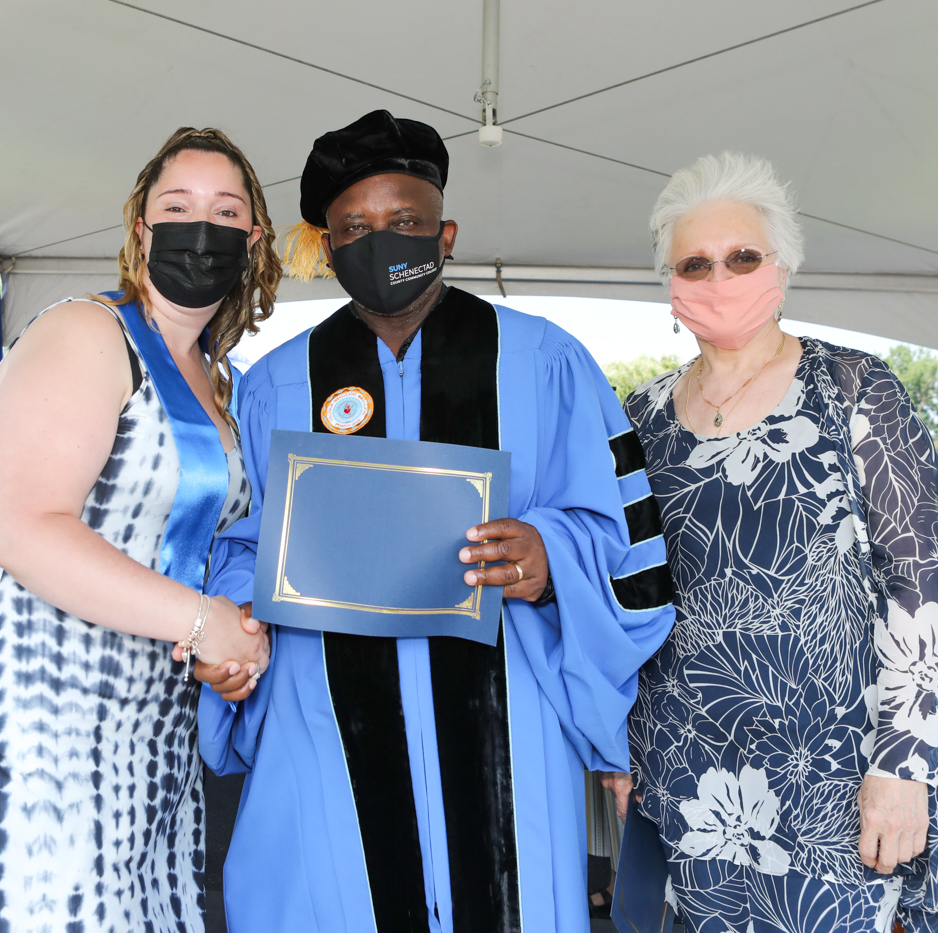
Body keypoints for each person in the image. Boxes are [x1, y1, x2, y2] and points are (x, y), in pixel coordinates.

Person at [196, 109, 676, 933]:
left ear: (446, 233)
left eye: (405, 222)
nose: (381, 241)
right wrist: (238, 610)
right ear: (329, 244)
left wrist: (550, 552)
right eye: (355, 227)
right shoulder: (276, 382)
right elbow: (237, 544)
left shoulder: (545, 359)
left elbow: (623, 536)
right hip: (325, 722)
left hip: (509, 721)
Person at [0, 127, 280, 931]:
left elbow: (194, 551)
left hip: (148, 717)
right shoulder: (87, 333)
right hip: (37, 698)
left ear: (253, 239)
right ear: (141, 229)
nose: (200, 228)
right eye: (177, 207)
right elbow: (22, 528)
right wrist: (203, 622)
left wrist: (225, 636)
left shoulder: (222, 381)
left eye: (225, 211)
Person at [615, 152, 938, 932]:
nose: (720, 277)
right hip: (684, 780)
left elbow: (924, 577)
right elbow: (624, 590)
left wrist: (903, 767)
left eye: (743, 257)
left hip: (835, 784)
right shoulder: (640, 420)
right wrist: (617, 744)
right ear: (670, 288)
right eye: (695, 263)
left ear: (784, 266)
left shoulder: (855, 388)